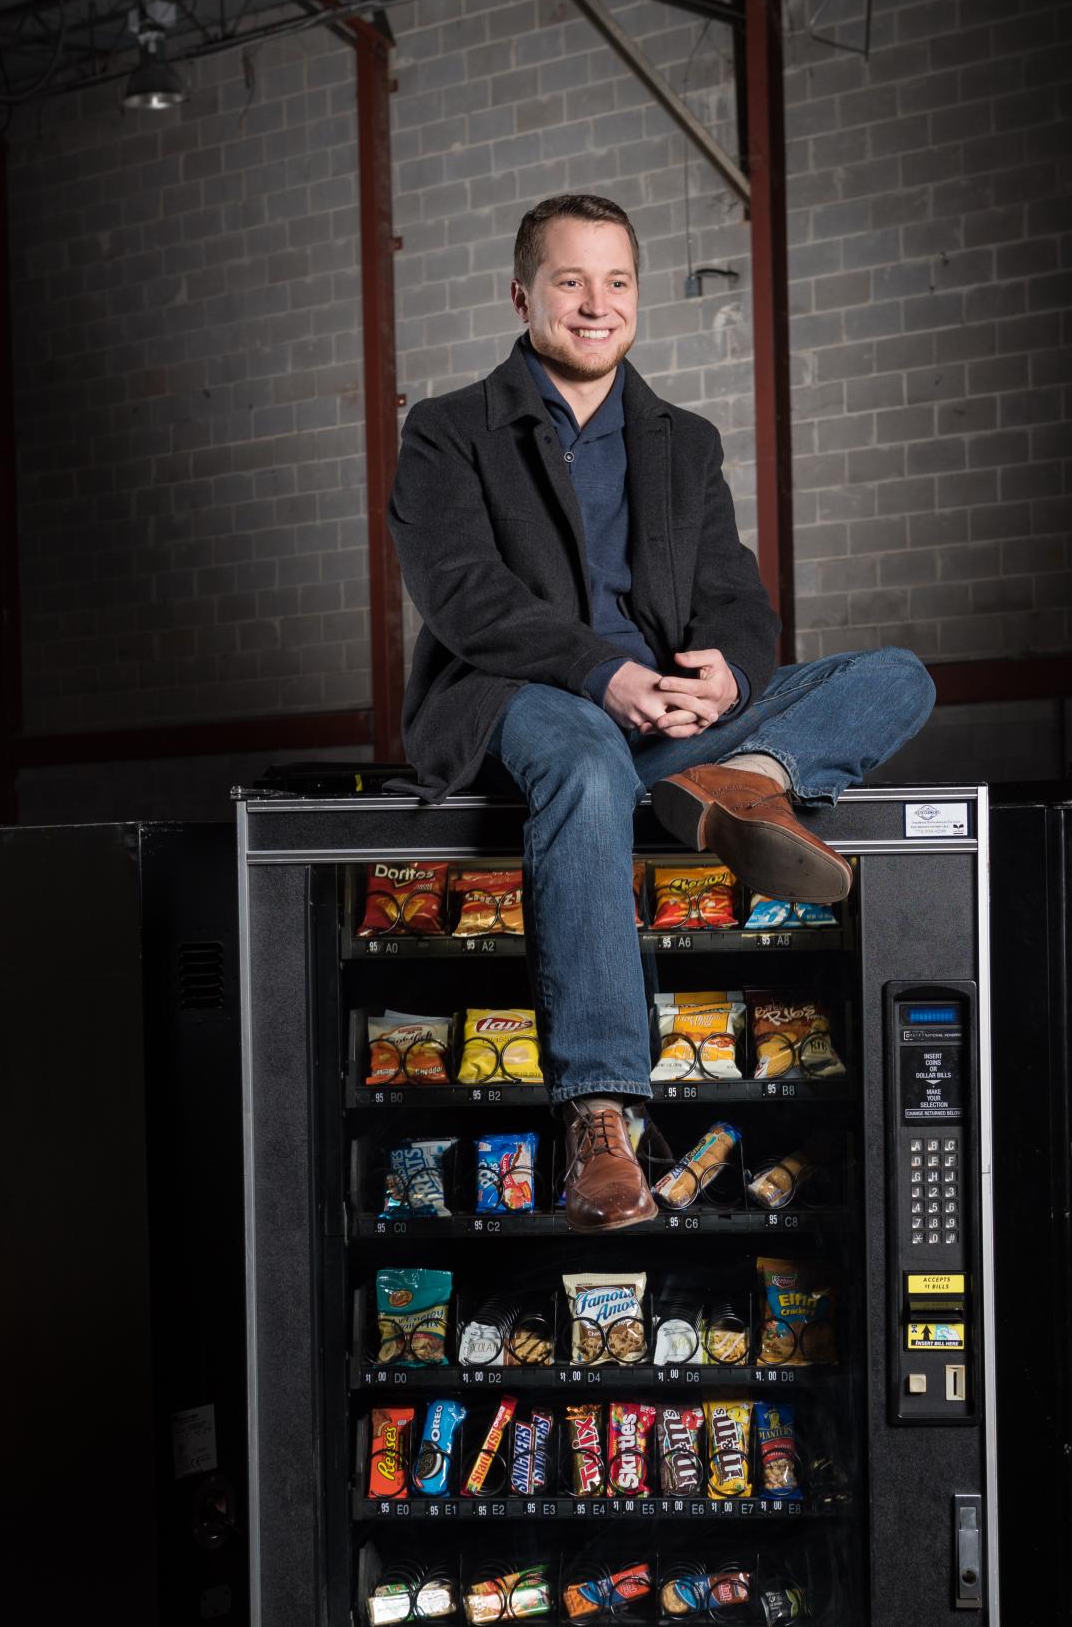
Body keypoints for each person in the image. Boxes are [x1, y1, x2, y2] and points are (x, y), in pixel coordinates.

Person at [387, 191, 936, 1230]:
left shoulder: (685, 439)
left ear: (637, 297)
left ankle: (746, 780)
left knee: (898, 673)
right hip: (531, 700)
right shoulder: (449, 432)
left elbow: (735, 595)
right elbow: (463, 592)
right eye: (571, 281)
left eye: (618, 282)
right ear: (523, 294)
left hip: (676, 722)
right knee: (590, 762)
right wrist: (604, 676)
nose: (598, 305)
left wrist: (727, 672)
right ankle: (601, 1114)